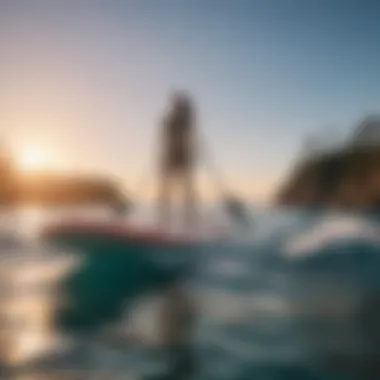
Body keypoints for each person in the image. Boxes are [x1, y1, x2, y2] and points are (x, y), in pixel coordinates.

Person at [158, 92, 198, 230]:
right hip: (173, 158)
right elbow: (165, 139)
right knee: (167, 192)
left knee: (185, 192)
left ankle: (189, 222)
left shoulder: (185, 119)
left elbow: (186, 139)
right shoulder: (172, 120)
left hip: (181, 158)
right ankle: (165, 222)